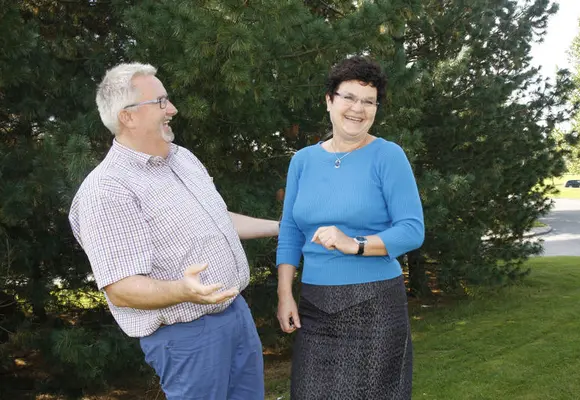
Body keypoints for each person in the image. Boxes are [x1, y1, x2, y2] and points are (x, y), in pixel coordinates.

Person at [69, 62, 279, 400]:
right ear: (128, 116)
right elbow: (121, 288)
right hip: (187, 337)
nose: (173, 109)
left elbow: (218, 219)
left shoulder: (183, 158)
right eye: (161, 102)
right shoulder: (107, 189)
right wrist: (183, 290)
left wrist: (281, 228)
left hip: (236, 315)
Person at [276, 56, 425, 399]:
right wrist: (285, 294)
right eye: (349, 97)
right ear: (329, 100)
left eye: (369, 101)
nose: (358, 109)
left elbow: (412, 229)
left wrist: (354, 243)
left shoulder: (388, 156)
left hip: (374, 306)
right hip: (314, 306)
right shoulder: (302, 161)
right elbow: (291, 231)